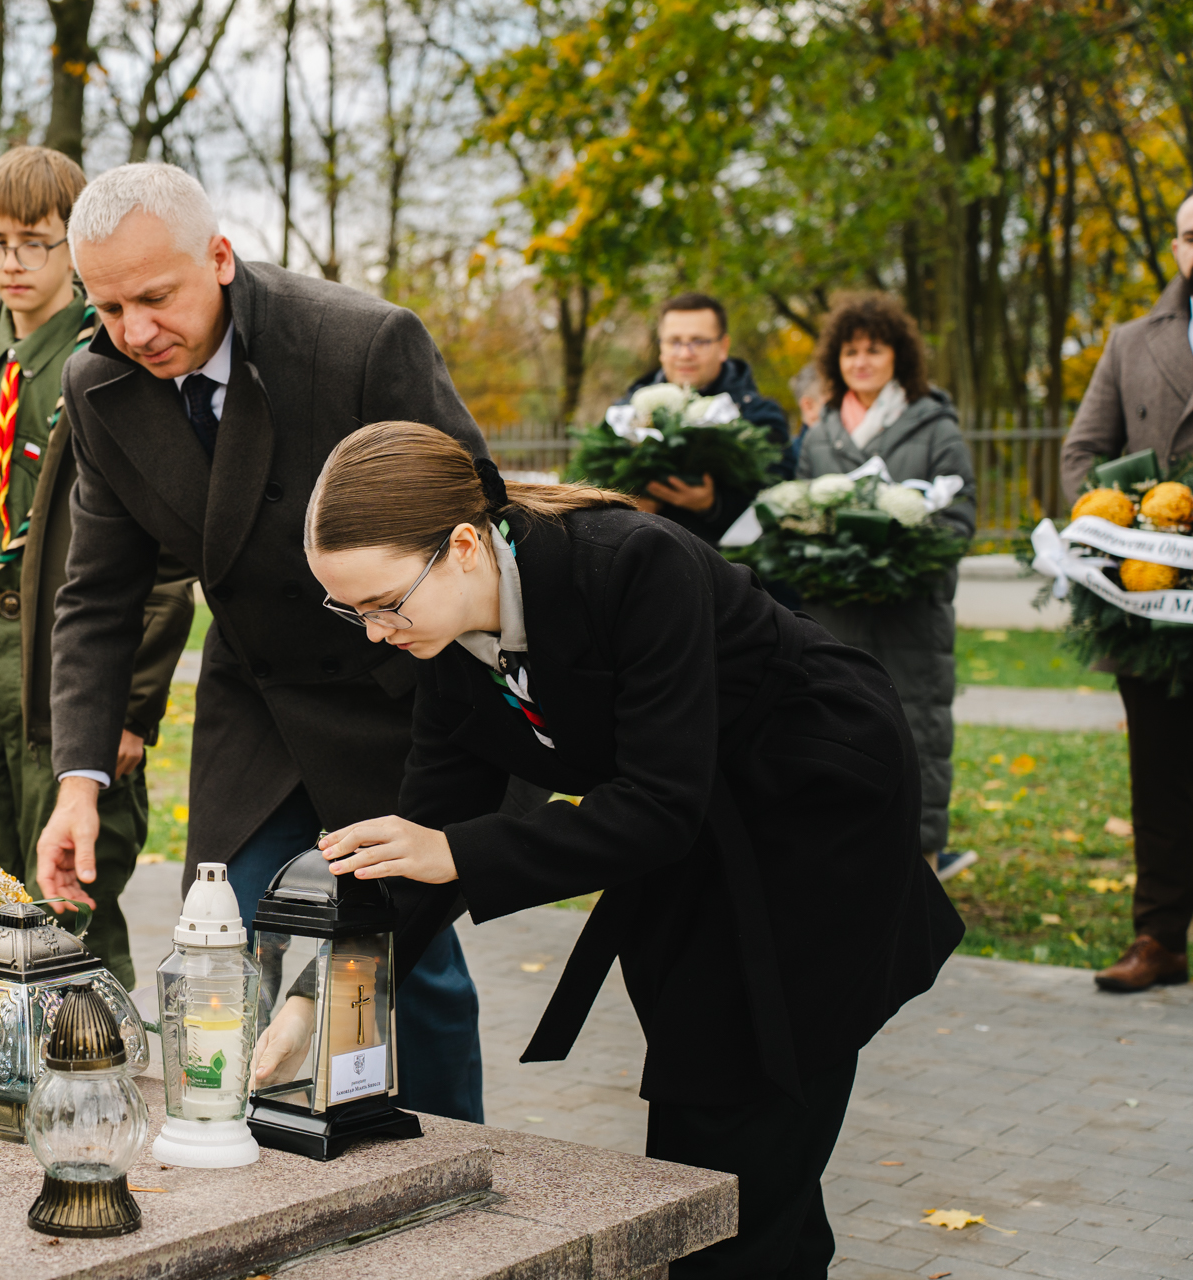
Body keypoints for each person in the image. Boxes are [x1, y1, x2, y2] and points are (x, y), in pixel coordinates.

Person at [269, 421, 961, 1279]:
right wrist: (318, 1002)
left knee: (743, 1098)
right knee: (725, 1108)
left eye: (383, 603)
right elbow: (426, 847)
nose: (374, 633)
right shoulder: (445, 642)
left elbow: (656, 806)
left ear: (463, 548)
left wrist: (458, 854)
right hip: (686, 831)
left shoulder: (634, 563)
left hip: (811, 814)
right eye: (351, 611)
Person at [33, 162, 492, 1122]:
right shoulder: (97, 385)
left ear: (220, 257)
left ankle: (455, 1156)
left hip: (398, 692)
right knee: (224, 941)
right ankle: (241, 1155)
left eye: (156, 298)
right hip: (258, 702)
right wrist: (79, 784)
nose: (135, 332)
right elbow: (99, 597)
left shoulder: (359, 343)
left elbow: (475, 523)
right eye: (108, 307)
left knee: (403, 960)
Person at [0, 147, 193, 987]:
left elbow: (165, 558)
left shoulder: (111, 357)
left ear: (75, 245)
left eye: (34, 241)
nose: (12, 263)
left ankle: (97, 1055)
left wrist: (131, 707)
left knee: (67, 898)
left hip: (68, 661)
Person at [1059, 194, 1193, 993]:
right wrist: (1128, 530)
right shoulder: (1130, 342)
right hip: (1152, 602)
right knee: (1161, 774)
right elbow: (1081, 454)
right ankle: (1159, 937)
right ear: (1176, 247)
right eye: (1192, 235)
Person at [796, 293, 976, 883]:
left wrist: (900, 561)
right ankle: (846, 881)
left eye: (874, 350)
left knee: (916, 738)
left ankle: (921, 876)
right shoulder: (820, 434)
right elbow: (797, 516)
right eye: (851, 352)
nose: (862, 362)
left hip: (911, 622)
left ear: (899, 355)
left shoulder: (935, 425)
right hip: (835, 621)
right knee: (838, 739)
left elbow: (959, 516)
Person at [618, 292, 791, 543]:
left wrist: (714, 505)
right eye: (674, 342)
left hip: (727, 561)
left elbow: (780, 497)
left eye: (698, 342)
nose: (685, 354)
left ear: (723, 347)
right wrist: (627, 506)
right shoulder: (623, 415)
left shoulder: (758, 417)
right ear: (661, 347)